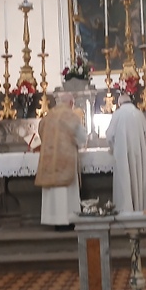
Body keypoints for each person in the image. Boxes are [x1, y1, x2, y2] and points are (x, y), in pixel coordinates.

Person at [35, 93, 87, 230]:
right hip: (66, 160)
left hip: (49, 159)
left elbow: (41, 133)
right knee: (65, 192)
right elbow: (81, 138)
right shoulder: (71, 116)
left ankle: (54, 220)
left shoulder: (48, 116)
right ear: (71, 103)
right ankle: (68, 220)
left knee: (53, 192)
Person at [105, 94, 146, 212]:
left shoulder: (117, 114)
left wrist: (114, 148)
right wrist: (140, 145)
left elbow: (109, 135)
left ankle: (125, 210)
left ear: (119, 104)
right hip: (139, 154)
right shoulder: (139, 114)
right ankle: (140, 209)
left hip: (122, 155)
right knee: (139, 182)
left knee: (124, 183)